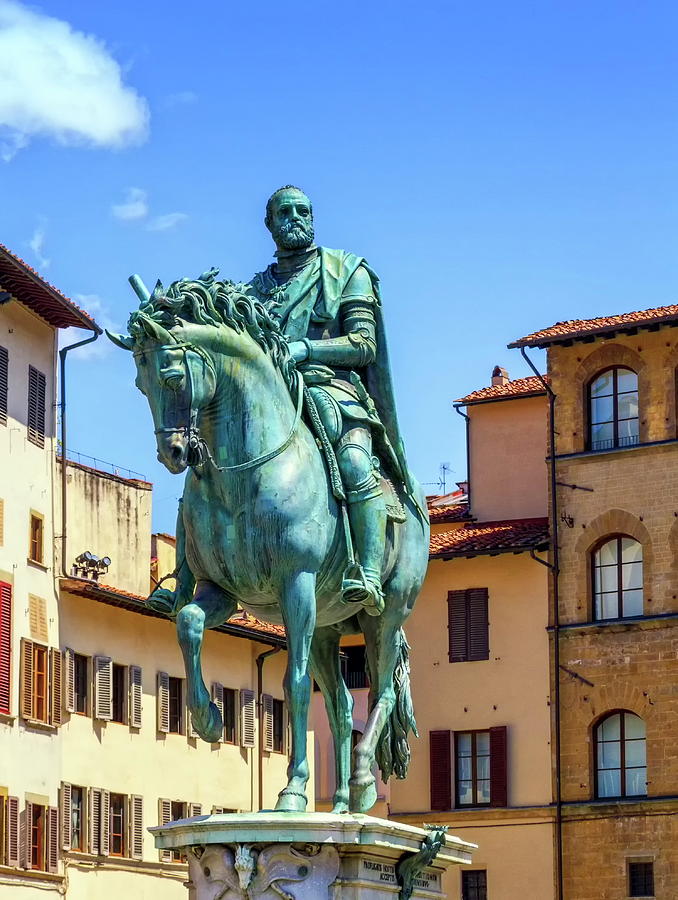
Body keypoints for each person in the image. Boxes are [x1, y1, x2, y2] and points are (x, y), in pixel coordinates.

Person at [247, 185, 417, 616]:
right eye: (283, 212)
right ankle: (186, 577)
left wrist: (306, 349)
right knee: (209, 456)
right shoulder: (254, 291)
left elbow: (363, 344)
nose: (294, 218)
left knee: (357, 464)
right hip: (272, 398)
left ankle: (369, 572)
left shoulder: (345, 271)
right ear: (269, 224)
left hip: (335, 392)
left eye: (302, 210)